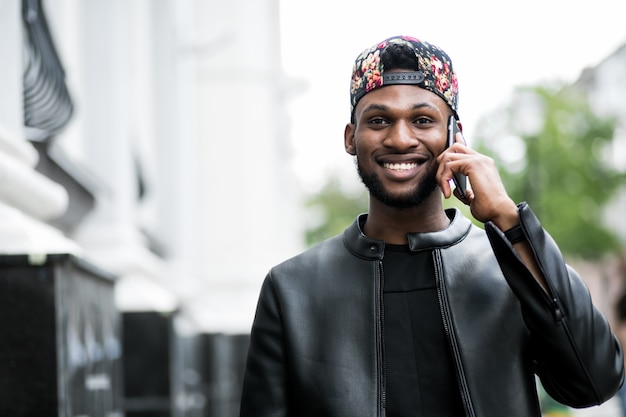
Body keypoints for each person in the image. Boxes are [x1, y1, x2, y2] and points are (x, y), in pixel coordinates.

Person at [239, 35, 624, 417]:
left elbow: (595, 381)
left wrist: (509, 220)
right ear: (351, 138)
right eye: (378, 120)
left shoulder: (507, 269)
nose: (400, 138)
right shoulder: (292, 289)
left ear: (455, 136)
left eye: (422, 120)